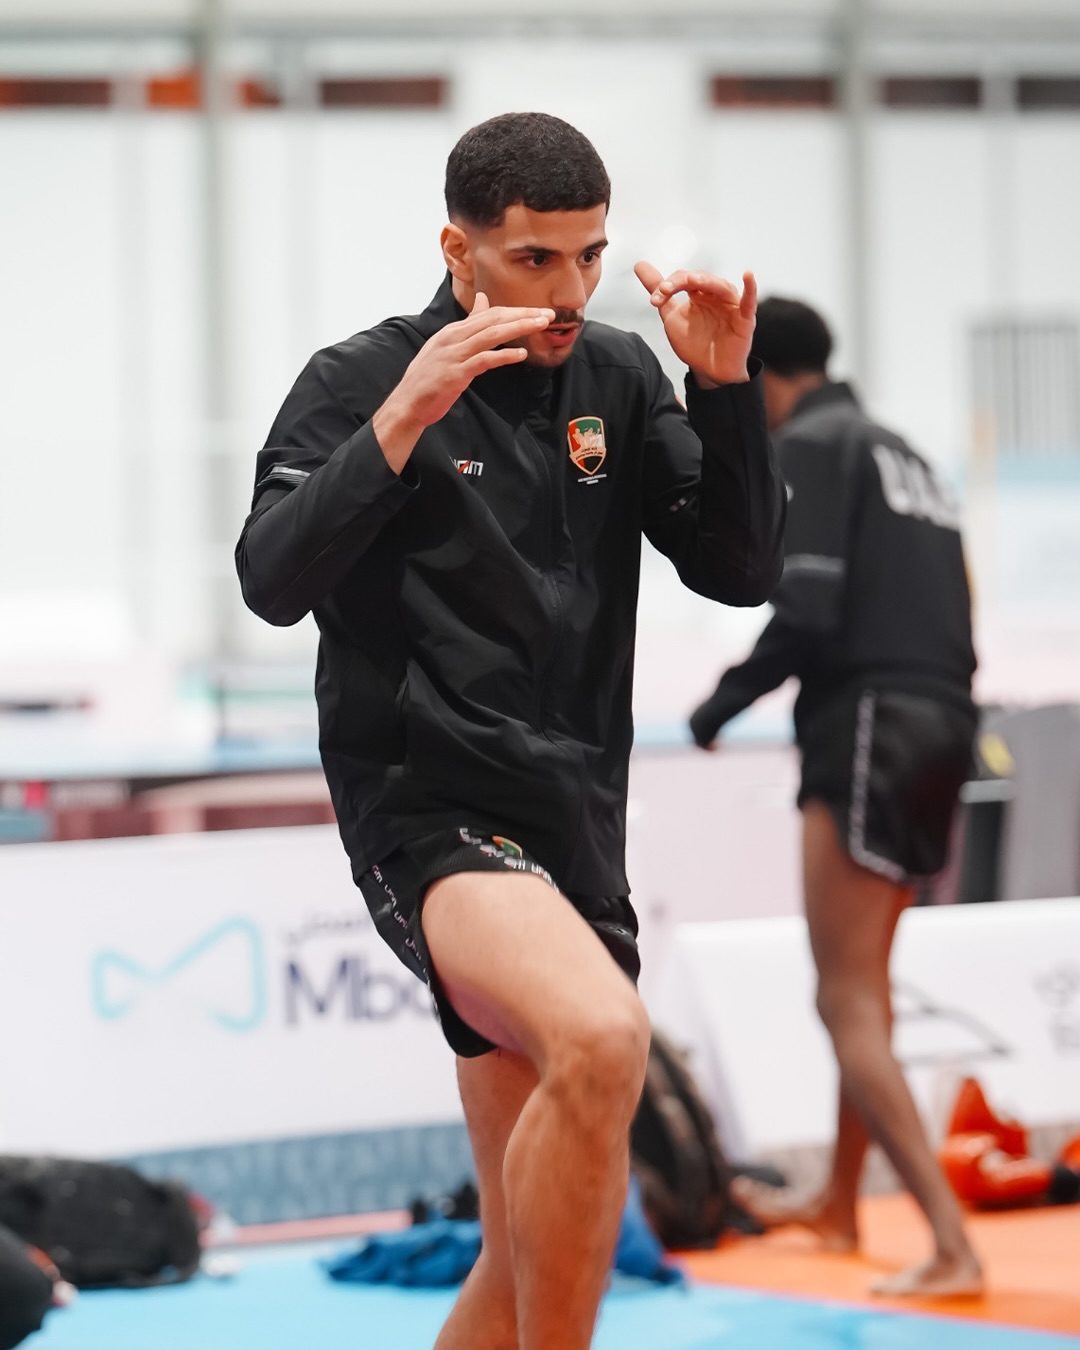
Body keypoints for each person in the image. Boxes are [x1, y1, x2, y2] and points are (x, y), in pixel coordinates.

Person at [236, 112, 785, 1348]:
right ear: (459, 250)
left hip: (577, 816)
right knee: (603, 1037)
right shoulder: (358, 379)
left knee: (517, 1247)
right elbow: (268, 579)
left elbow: (741, 571)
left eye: (591, 256)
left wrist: (725, 388)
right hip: (429, 805)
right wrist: (401, 422)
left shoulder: (620, 377)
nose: (571, 291)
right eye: (537, 259)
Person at [689, 297, 983, 1298]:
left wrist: (719, 703)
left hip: (870, 724)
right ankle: (839, 1202)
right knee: (869, 990)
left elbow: (805, 606)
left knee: (844, 995)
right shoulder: (908, 455)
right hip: (944, 722)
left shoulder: (811, 444)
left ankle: (951, 1245)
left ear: (764, 380)